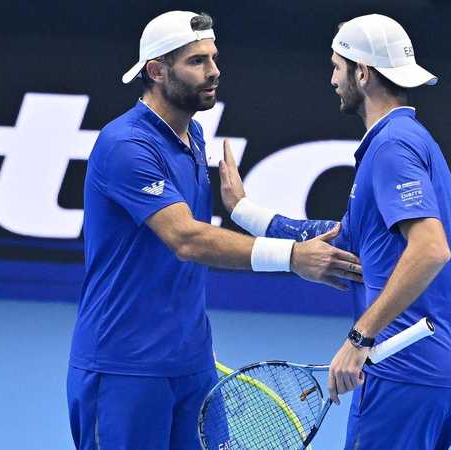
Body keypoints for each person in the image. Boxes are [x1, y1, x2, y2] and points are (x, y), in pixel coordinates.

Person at [66, 11, 362, 450]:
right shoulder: (125, 145)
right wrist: (292, 257)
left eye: (214, 57)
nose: (214, 70)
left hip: (192, 362)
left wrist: (241, 207)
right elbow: (186, 239)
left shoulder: (195, 136)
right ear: (157, 71)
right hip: (124, 367)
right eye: (197, 61)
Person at [220, 14, 451, 450]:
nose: (332, 80)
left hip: (404, 371)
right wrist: (245, 212)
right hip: (444, 371)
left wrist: (360, 338)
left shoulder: (392, 146)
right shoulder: (406, 139)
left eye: (336, 67)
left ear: (362, 73)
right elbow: (343, 238)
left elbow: (431, 249)